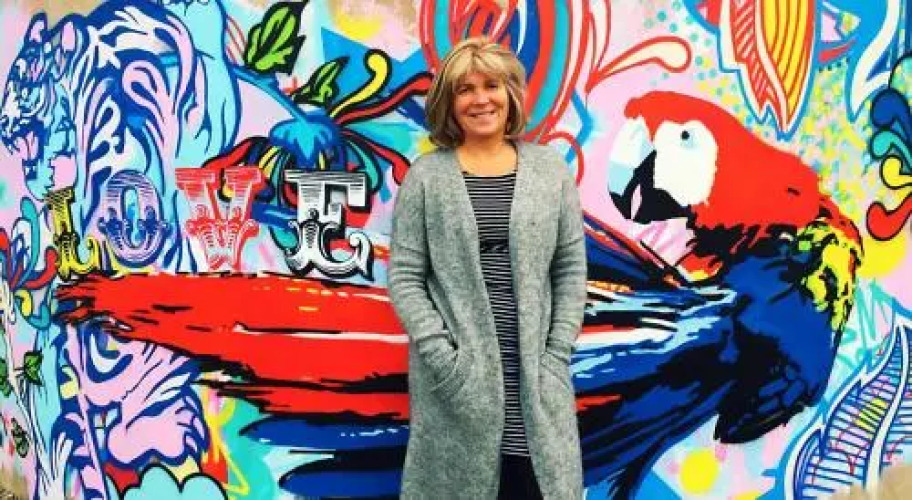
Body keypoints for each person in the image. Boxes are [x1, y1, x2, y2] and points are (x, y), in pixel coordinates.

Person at [388, 36, 587, 499]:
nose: (481, 99)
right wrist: (443, 358)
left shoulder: (550, 171)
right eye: (465, 89)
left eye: (491, 85)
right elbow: (405, 275)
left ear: (510, 93)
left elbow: (570, 268)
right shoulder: (426, 177)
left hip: (537, 382)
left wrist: (556, 354)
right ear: (450, 102)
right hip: (458, 387)